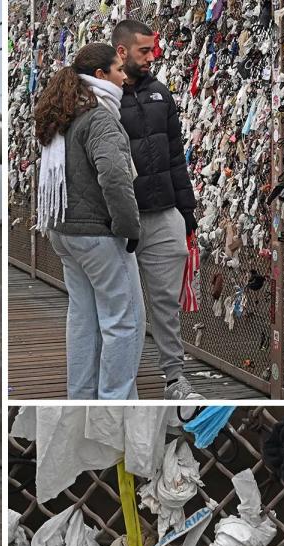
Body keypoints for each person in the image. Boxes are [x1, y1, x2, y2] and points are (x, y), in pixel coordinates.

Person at [33, 42, 145, 400]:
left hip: (64, 231)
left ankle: (81, 397)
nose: (124, 77)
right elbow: (114, 175)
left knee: (82, 318)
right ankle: (114, 401)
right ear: (100, 75)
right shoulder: (100, 117)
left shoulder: (63, 115)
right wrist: (129, 228)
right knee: (123, 322)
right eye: (118, 70)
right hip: (98, 234)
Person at [113, 20, 204, 400]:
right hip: (122, 220)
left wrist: (187, 215)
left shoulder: (161, 96)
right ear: (122, 52)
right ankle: (119, 381)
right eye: (144, 51)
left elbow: (175, 159)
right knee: (124, 305)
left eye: (153, 50)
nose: (152, 58)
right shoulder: (105, 98)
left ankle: (174, 378)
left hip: (164, 210)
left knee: (165, 301)